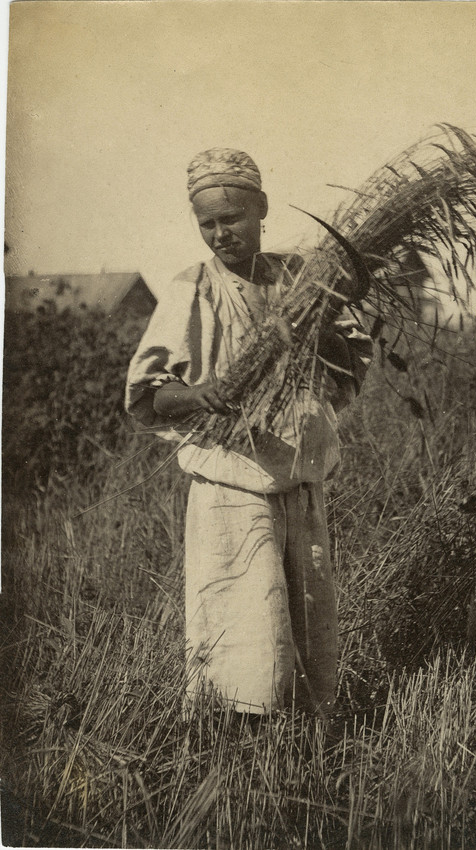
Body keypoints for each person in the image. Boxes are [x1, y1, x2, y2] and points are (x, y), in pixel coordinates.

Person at [126, 149, 372, 717]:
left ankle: (306, 750)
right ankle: (234, 749)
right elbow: (148, 392)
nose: (219, 234)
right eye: (206, 222)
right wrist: (201, 393)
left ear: (261, 208)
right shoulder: (194, 288)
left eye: (231, 218)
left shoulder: (305, 278)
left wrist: (312, 321)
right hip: (232, 492)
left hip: (300, 488)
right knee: (246, 642)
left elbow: (351, 363)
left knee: (308, 636)